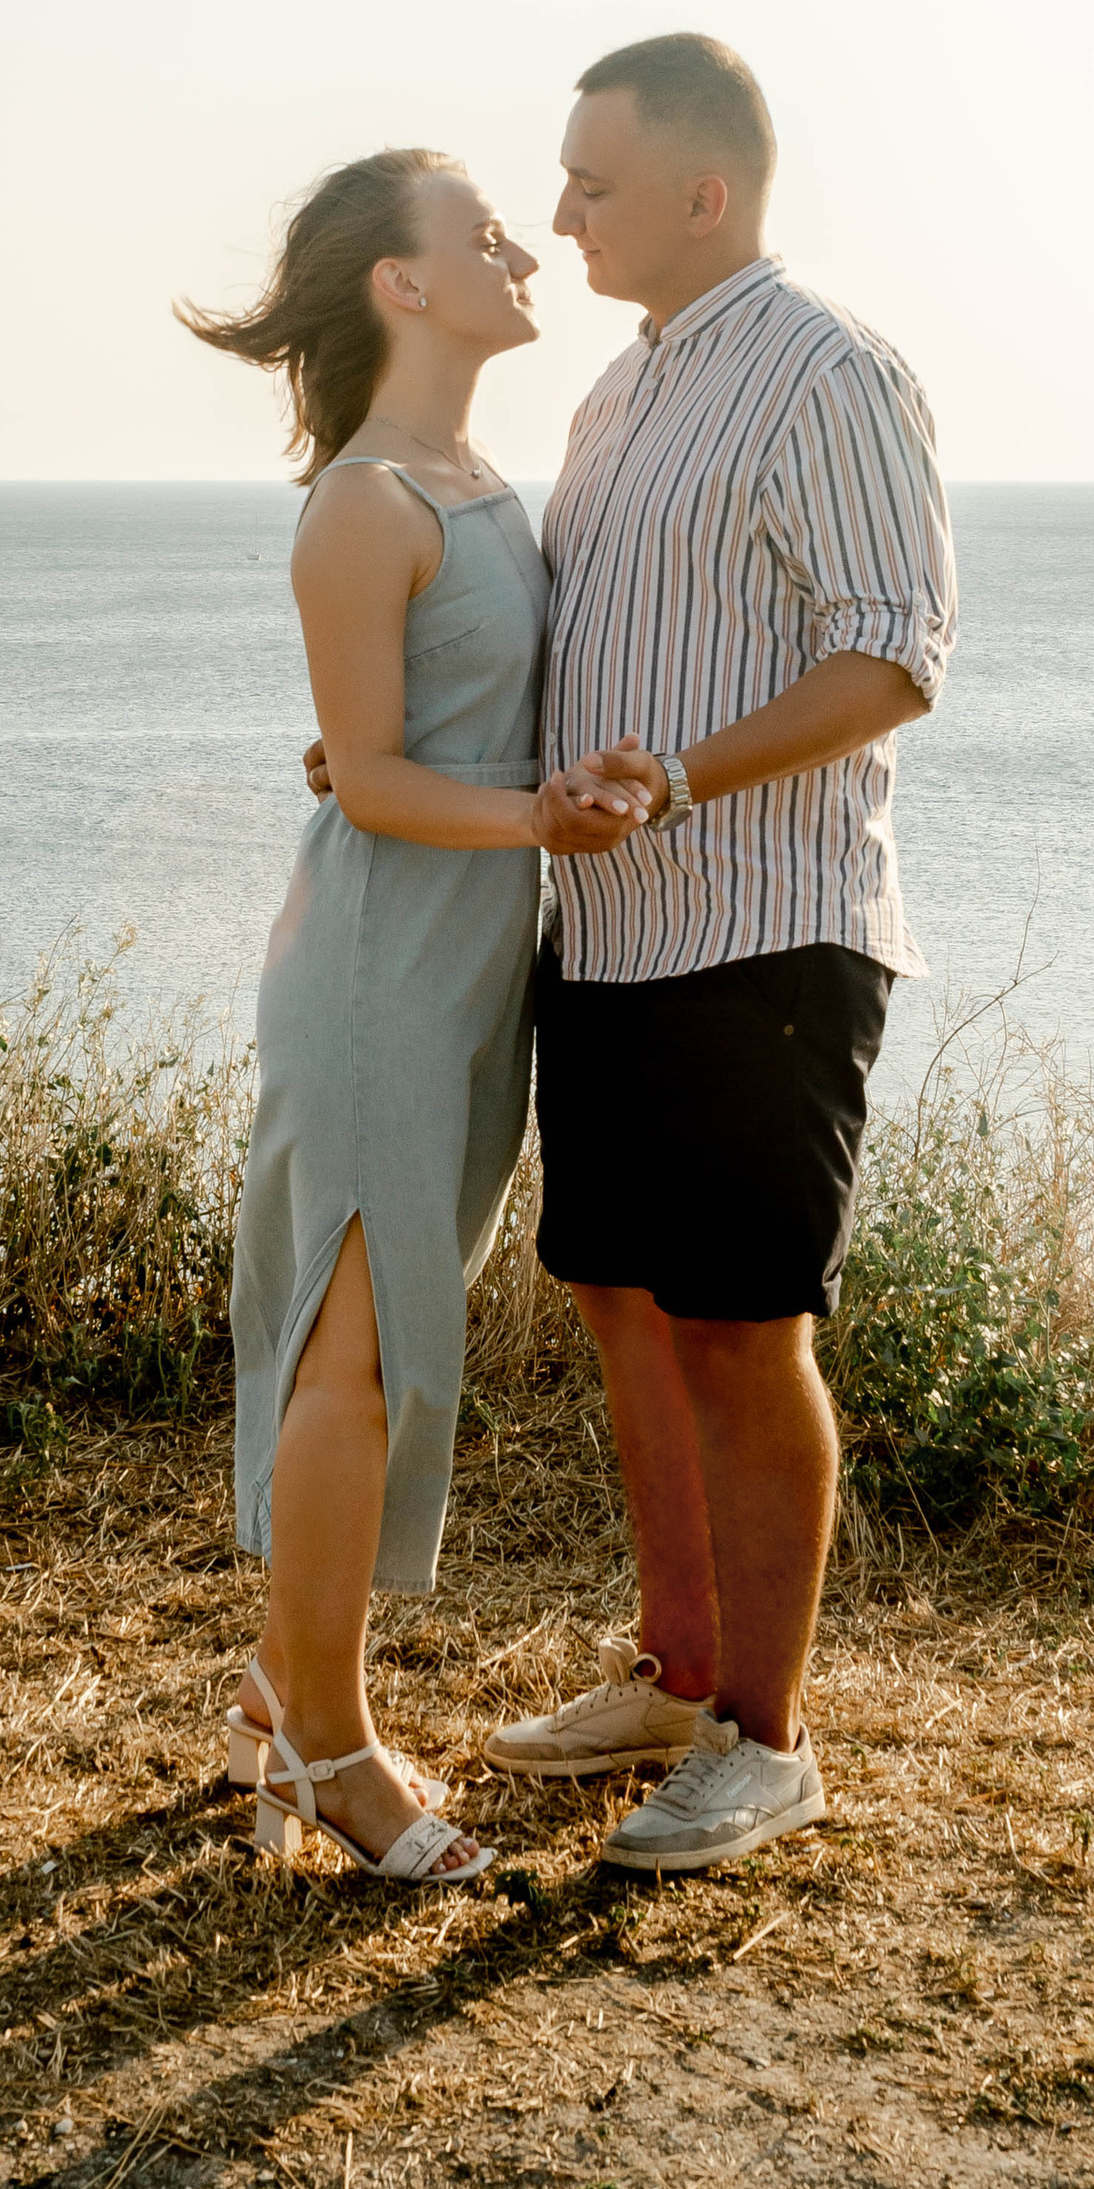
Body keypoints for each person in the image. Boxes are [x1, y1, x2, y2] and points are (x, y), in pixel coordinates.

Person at [478, 34, 957, 1870]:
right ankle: (675, 1678)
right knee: (622, 1303)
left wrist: (680, 774)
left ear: (707, 191)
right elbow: (582, 651)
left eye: (593, 181)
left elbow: (893, 654)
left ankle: (768, 1741)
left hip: (767, 932)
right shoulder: (615, 395)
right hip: (603, 935)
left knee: (747, 1335)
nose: (561, 210)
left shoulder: (834, 371)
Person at [179, 148, 647, 1889]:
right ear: (401, 282)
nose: (520, 246)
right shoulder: (368, 502)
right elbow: (372, 781)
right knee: (353, 1358)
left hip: (461, 970)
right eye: (481, 233)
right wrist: (534, 814)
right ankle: (329, 1744)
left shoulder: (475, 484)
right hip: (382, 967)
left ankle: (275, 1696)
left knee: (376, 1347)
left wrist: (510, 793)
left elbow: (404, 737)